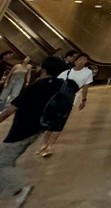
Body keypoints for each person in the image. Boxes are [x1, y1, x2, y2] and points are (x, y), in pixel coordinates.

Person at [0, 55, 69, 205]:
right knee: (8, 159)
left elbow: (9, 110)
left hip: (21, 130)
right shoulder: (60, 84)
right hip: (38, 129)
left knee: (2, 162)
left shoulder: (35, 87)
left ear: (43, 69)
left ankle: (21, 187)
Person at [34, 53, 94, 158]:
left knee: (60, 123)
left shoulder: (87, 72)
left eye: (85, 60)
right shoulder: (67, 72)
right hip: (57, 99)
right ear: (75, 61)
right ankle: (44, 144)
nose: (82, 61)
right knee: (49, 122)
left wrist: (84, 99)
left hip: (70, 100)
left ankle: (50, 146)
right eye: (80, 59)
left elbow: (85, 87)